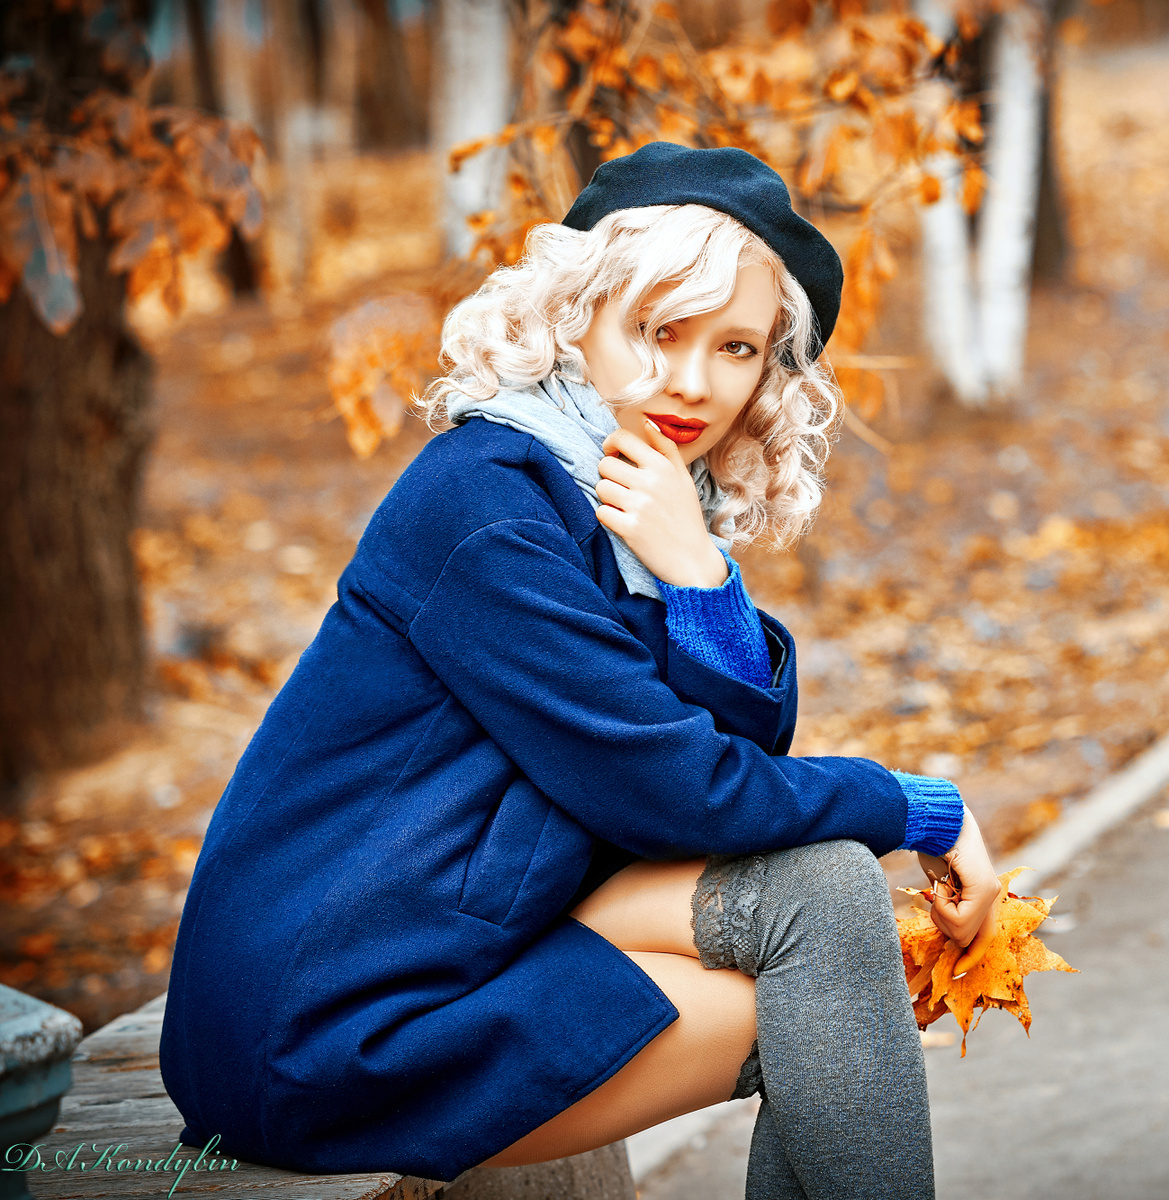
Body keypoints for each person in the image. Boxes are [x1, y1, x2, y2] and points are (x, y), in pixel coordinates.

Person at [159, 143, 1004, 1200]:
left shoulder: (626, 509)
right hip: (329, 1028)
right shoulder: (486, 507)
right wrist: (919, 808)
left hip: (464, 933)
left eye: (736, 348)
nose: (691, 382)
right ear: (574, 316)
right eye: (659, 330)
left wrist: (701, 580)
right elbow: (685, 792)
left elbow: (723, 773)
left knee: (826, 893)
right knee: (825, 992)